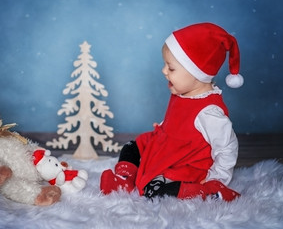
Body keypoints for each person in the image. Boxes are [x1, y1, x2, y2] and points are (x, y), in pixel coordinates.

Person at [100, 22, 243, 202]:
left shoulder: (210, 113)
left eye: (171, 68)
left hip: (184, 163)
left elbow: (227, 147)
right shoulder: (183, 92)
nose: (163, 71)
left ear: (196, 74)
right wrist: (164, 126)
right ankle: (124, 179)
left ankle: (209, 192)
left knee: (155, 188)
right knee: (132, 146)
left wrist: (217, 177)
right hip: (166, 146)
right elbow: (182, 120)